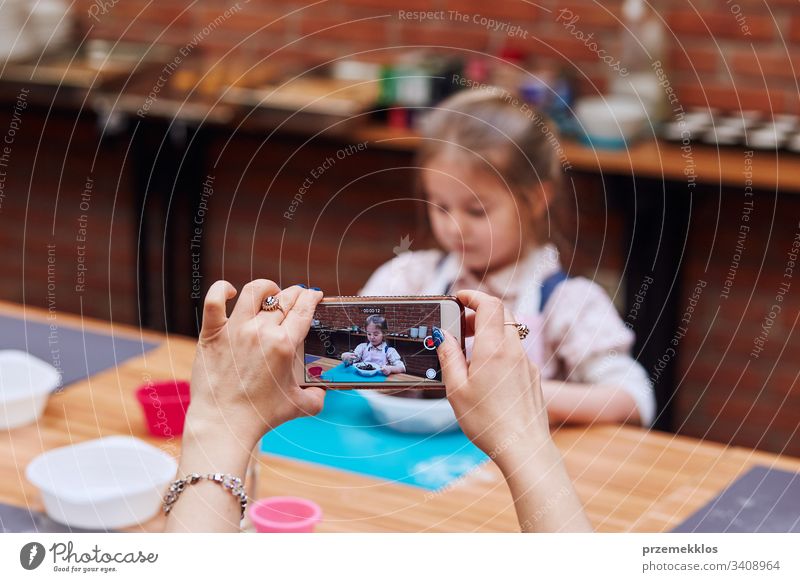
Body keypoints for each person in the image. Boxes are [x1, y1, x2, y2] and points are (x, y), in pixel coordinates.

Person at [164, 280, 591, 533]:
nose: (370, 337)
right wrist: (529, 438)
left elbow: (396, 367)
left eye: (374, 333)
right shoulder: (365, 349)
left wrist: (218, 421)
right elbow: (354, 362)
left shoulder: (390, 352)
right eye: (366, 332)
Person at [359, 89, 655, 427]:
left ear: (534, 199)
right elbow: (352, 358)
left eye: (476, 210)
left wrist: (526, 394)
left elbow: (633, 397)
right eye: (441, 206)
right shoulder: (409, 279)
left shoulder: (567, 303)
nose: (455, 226)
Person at [341, 314, 406, 376]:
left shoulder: (389, 351)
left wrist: (390, 369)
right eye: (369, 334)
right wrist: (345, 357)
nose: (372, 337)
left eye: (376, 334)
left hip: (380, 381)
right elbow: (351, 361)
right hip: (362, 377)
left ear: (384, 333)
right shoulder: (362, 347)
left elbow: (402, 368)